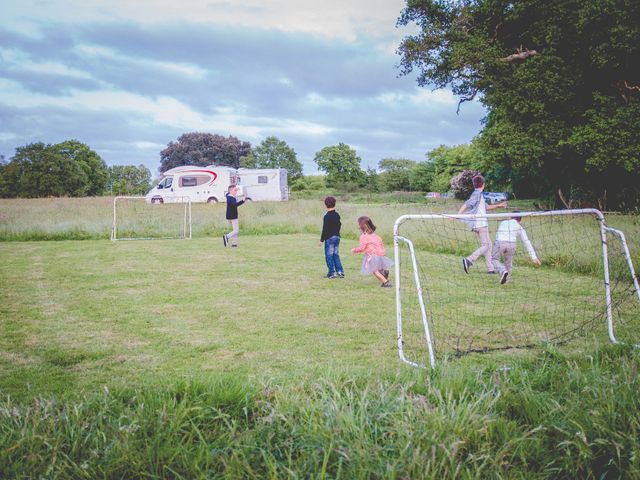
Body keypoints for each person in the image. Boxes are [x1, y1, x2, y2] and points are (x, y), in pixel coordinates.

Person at [458, 175, 507, 274]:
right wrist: (457, 215)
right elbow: (466, 204)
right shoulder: (476, 194)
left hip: (481, 224)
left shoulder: (480, 195)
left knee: (489, 245)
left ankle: (491, 269)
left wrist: (499, 205)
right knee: (486, 245)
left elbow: (486, 207)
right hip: (480, 224)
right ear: (483, 185)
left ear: (474, 184)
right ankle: (469, 260)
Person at [492, 213, 541, 284]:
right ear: (520, 220)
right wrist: (534, 257)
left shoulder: (503, 222)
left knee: (494, 259)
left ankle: (502, 271)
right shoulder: (519, 226)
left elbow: (498, 234)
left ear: (510, 217)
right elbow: (526, 242)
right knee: (508, 263)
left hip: (500, 242)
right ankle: (506, 281)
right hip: (512, 244)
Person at [351, 216, 393, 288]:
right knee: (378, 266)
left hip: (372, 254)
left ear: (361, 225)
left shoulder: (363, 236)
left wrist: (354, 250)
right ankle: (384, 272)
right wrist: (382, 252)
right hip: (381, 253)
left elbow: (362, 248)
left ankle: (386, 282)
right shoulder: (375, 235)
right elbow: (381, 243)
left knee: (374, 270)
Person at [319, 196, 344, 278]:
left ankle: (331, 273)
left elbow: (325, 229)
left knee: (329, 255)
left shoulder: (327, 216)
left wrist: (321, 240)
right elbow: (339, 225)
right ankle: (340, 272)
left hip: (330, 238)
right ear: (334, 204)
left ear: (325, 205)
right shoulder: (337, 215)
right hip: (337, 237)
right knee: (335, 255)